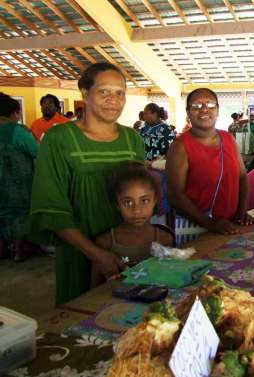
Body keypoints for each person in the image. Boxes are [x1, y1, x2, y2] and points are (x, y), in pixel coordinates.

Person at [29, 62, 145, 305]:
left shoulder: (132, 139)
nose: (113, 100)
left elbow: (141, 193)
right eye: (104, 91)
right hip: (79, 253)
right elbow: (52, 207)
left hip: (127, 249)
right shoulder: (60, 139)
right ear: (85, 93)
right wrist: (96, 254)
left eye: (119, 93)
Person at [167, 88, 254, 246]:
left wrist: (242, 212)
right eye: (196, 106)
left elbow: (242, 177)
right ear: (188, 112)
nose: (204, 109)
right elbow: (175, 195)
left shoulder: (228, 139)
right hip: (195, 228)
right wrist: (211, 223)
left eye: (210, 104)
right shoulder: (180, 146)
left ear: (218, 110)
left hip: (229, 226)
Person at [93, 161, 174, 285]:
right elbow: (93, 292)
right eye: (128, 202)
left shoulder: (165, 239)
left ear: (155, 200)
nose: (137, 210)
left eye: (145, 200)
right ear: (117, 204)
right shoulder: (106, 243)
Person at [0, 92, 38, 262]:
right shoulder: (18, 130)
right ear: (14, 113)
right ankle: (19, 251)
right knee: (20, 215)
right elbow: (37, 152)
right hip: (17, 185)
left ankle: (3, 249)